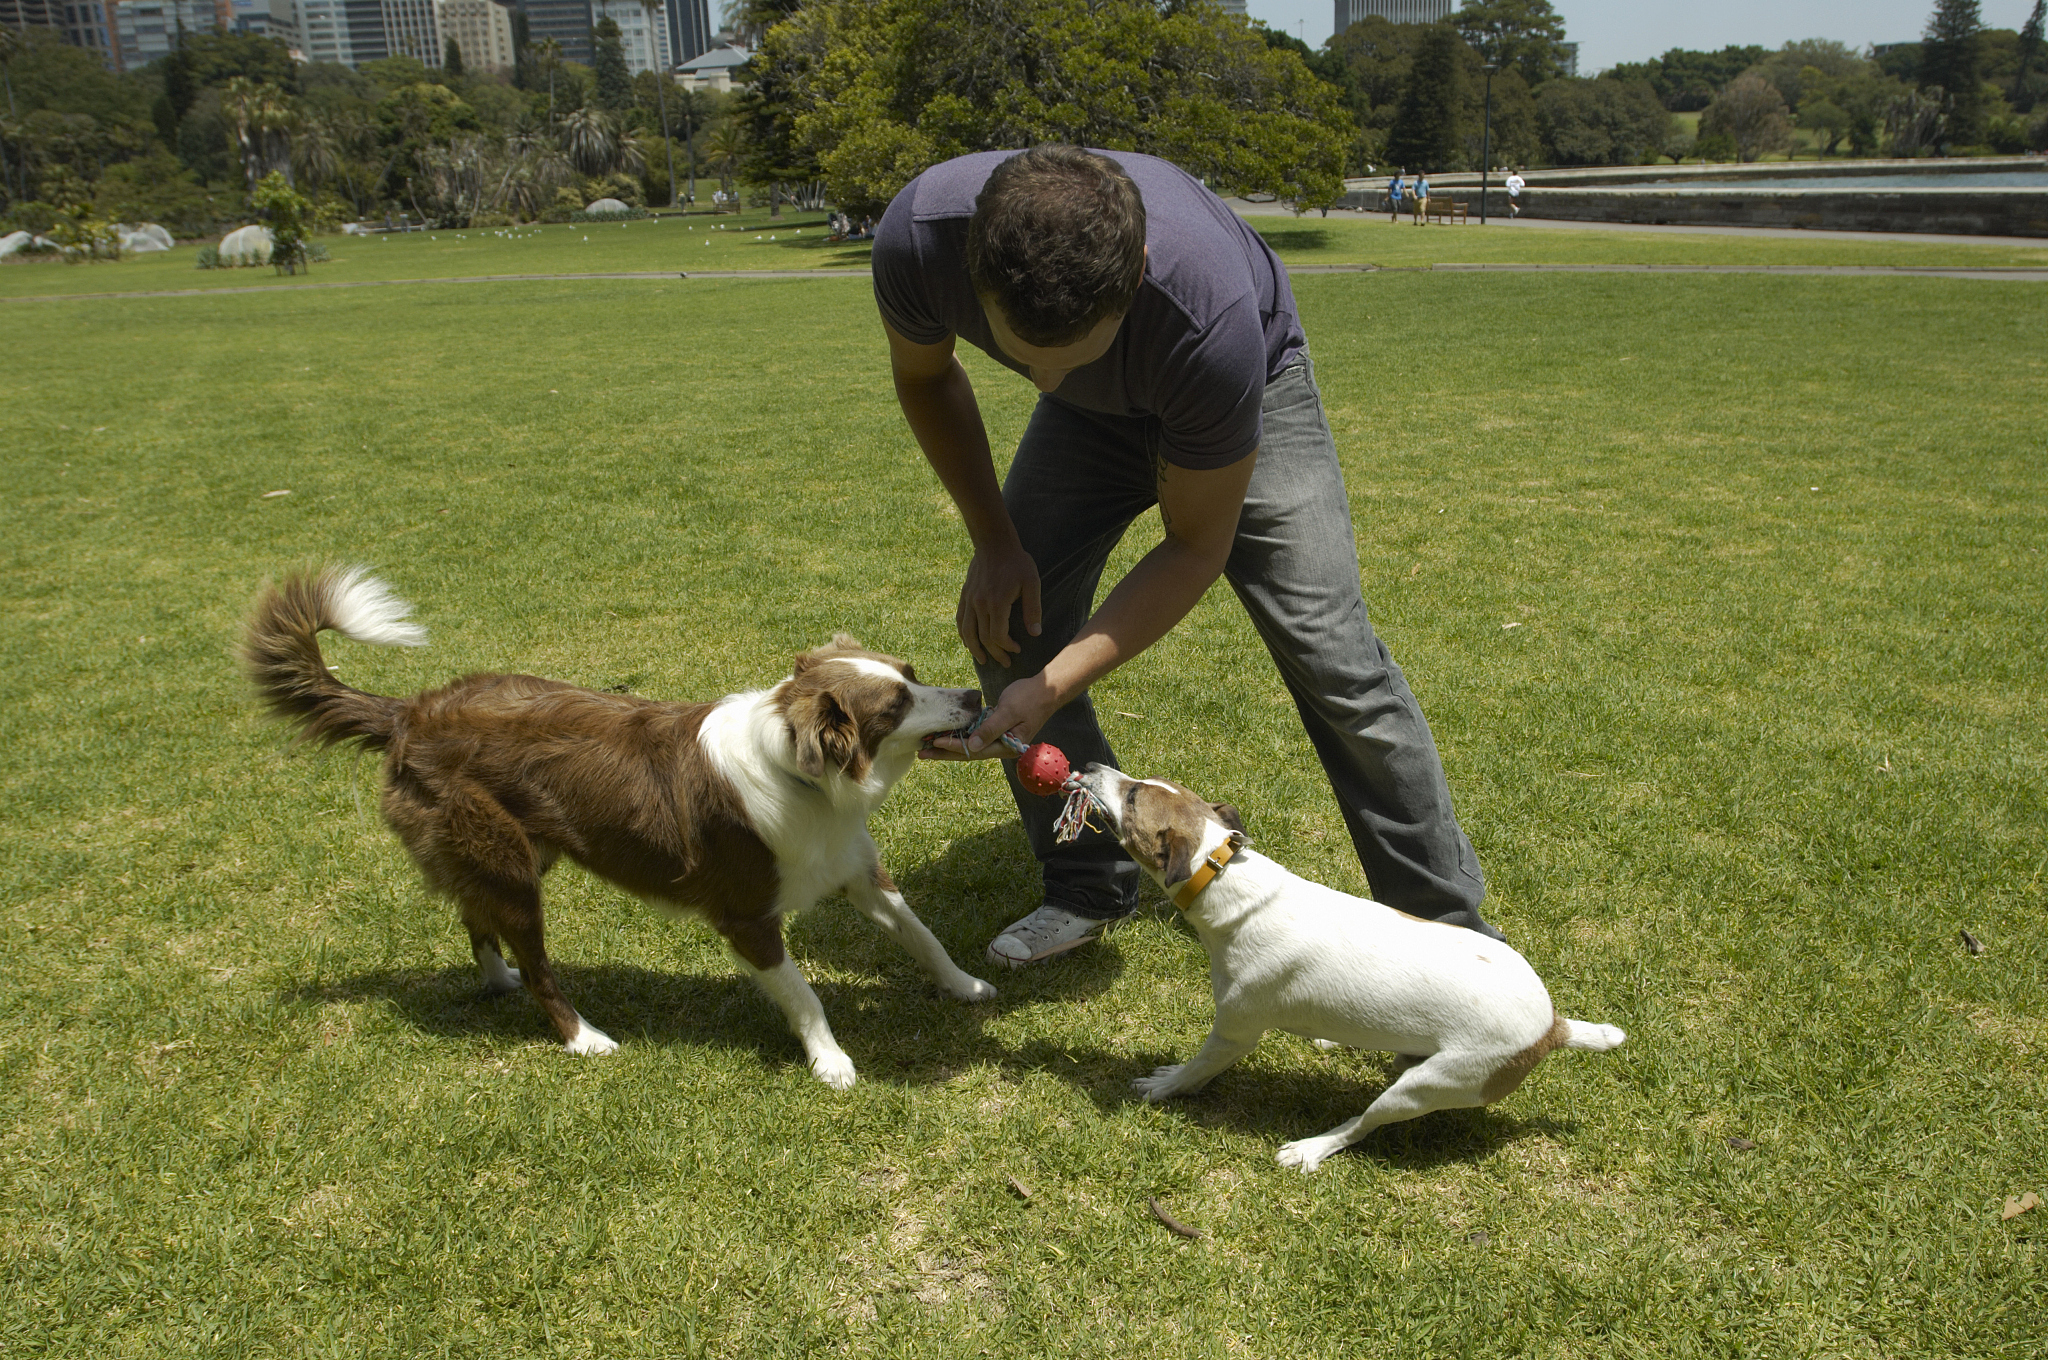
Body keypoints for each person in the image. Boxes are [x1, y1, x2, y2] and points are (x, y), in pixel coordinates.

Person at [873, 145, 1501, 968]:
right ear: (974, 269)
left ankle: (1453, 945)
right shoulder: (919, 240)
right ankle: (1089, 881)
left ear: (1134, 272)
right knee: (1011, 629)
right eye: (1023, 356)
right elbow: (926, 377)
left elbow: (1196, 545)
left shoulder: (1208, 313)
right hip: (1100, 424)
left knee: (1334, 659)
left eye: (1069, 353)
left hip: (1242, 394)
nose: (1046, 382)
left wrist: (1055, 685)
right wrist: (996, 540)